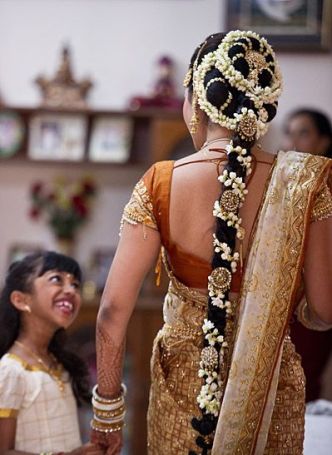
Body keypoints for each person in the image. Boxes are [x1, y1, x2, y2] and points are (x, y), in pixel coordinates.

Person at [91, 30, 332, 454]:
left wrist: (107, 411)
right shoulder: (305, 186)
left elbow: (112, 310)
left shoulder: (161, 182)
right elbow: (324, 310)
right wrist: (273, 308)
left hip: (184, 382)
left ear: (197, 100)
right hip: (269, 385)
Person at [0, 251, 103, 454]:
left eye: (75, 284)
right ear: (21, 300)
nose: (70, 290)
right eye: (57, 279)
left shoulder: (59, 364)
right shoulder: (10, 371)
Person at [282, 108, 332, 402]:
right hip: (290, 292)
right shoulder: (286, 181)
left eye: (303, 132)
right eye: (289, 133)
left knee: (306, 374)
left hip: (319, 290)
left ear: (324, 141)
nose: (293, 142)